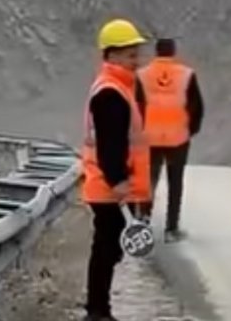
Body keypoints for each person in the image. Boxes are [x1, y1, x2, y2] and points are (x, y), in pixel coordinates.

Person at [82, 18, 153, 321]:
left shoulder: (117, 87)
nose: (136, 60)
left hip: (107, 184)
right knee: (106, 250)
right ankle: (98, 312)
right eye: (129, 54)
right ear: (111, 55)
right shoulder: (111, 93)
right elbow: (110, 143)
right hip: (108, 186)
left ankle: (100, 309)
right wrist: (119, 181)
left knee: (109, 250)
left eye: (136, 53)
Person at [136, 37, 205, 242]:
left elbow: (136, 105)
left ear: (156, 52)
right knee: (175, 183)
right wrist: (189, 130)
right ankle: (171, 228)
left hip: (149, 137)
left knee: (149, 181)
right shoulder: (186, 74)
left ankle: (144, 221)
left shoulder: (142, 75)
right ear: (173, 52)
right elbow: (197, 107)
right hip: (178, 137)